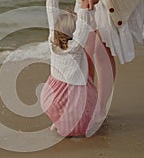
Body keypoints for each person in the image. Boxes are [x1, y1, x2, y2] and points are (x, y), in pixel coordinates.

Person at [40, 0, 98, 137]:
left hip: (52, 93)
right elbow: (83, 27)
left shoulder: (52, 39)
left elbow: (51, 11)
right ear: (74, 32)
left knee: (59, 107)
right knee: (81, 108)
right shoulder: (75, 47)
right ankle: (66, 128)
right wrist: (85, 5)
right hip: (72, 89)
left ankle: (58, 122)